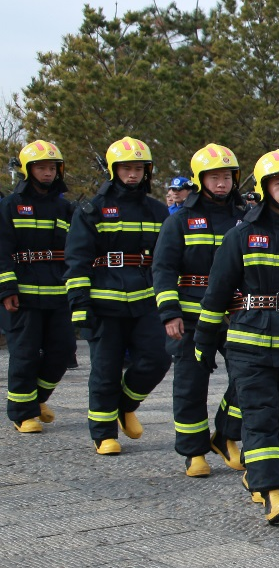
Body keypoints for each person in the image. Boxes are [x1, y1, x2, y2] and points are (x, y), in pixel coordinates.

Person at [194, 149, 279, 524]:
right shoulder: (242, 235)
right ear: (264, 188)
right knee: (261, 417)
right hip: (248, 343)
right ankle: (271, 493)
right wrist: (203, 337)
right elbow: (217, 291)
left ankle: (233, 441)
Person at [65, 137, 172, 455]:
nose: (133, 174)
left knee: (158, 358)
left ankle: (125, 404)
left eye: (139, 168)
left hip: (146, 299)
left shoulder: (158, 211)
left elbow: (169, 258)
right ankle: (103, 433)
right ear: (113, 170)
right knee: (105, 368)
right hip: (104, 301)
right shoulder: (91, 210)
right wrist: (80, 305)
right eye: (126, 168)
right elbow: (77, 260)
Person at [153, 144, 246, 478]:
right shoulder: (180, 221)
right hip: (191, 317)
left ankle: (225, 435)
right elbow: (162, 269)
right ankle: (193, 450)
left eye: (227, 177)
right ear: (200, 179)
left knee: (247, 378)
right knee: (191, 385)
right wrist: (169, 312)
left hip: (236, 315)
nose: (221, 183)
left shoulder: (246, 217)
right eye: (214, 177)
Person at [1, 141, 76, 433]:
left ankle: (36, 398)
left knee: (64, 350)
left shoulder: (65, 207)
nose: (48, 173)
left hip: (58, 293)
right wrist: (6, 290)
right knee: (25, 353)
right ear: (27, 170)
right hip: (23, 294)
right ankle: (23, 414)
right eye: (41, 167)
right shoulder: (9, 206)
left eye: (52, 167)